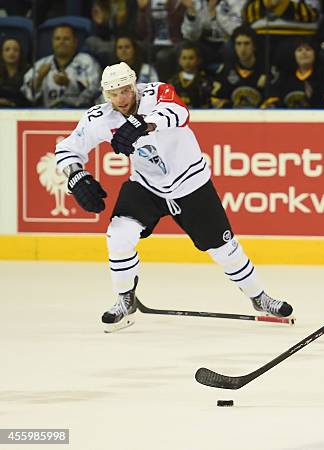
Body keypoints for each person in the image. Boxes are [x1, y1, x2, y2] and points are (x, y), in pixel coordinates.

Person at [54, 62, 293, 333]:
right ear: (105, 95)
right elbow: (67, 149)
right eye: (113, 94)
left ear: (134, 86)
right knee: (119, 236)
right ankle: (125, 299)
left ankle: (259, 297)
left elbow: (178, 112)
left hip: (191, 183)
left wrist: (143, 124)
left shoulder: (157, 93)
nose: (120, 99)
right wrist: (75, 176)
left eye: (125, 91)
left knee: (225, 250)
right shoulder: (101, 118)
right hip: (146, 186)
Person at [21, 24, 100, 108]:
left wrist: (69, 83)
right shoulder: (41, 64)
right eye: (57, 38)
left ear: (75, 41)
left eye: (66, 39)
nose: (61, 42)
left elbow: (95, 91)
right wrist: (39, 79)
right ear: (52, 41)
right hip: (48, 115)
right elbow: (27, 95)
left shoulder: (87, 62)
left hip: (80, 113)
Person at [210, 25, 269, 108]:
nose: (242, 49)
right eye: (238, 44)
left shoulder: (266, 70)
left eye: (247, 43)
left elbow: (273, 100)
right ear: (234, 46)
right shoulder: (226, 70)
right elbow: (215, 99)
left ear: (254, 46)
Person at [168, 42, 211, 108]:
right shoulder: (172, 82)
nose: (187, 62)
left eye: (191, 58)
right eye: (184, 58)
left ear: (199, 60)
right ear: (179, 61)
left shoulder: (205, 82)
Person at [0, 37, 30, 107]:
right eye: (7, 50)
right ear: (1, 53)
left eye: (15, 50)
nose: (11, 53)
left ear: (20, 53)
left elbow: (29, 100)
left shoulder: (28, 73)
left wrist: (10, 103)